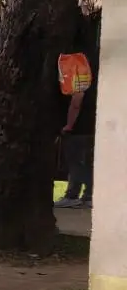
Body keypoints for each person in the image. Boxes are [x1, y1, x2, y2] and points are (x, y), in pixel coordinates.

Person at [56, 78, 96, 209]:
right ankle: (88, 195)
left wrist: (69, 125)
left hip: (78, 129)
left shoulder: (79, 80)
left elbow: (76, 101)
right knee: (88, 162)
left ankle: (72, 195)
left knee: (75, 162)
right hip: (91, 127)